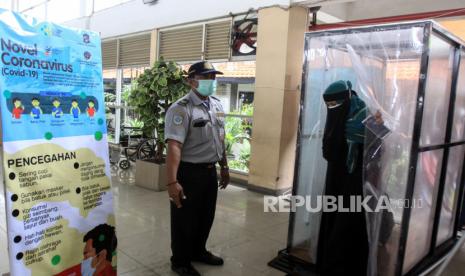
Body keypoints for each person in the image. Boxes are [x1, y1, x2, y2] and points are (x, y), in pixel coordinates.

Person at [165, 61, 230, 276]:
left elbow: (220, 137)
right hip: (189, 173)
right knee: (185, 221)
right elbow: (174, 146)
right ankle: (180, 261)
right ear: (191, 80)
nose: (211, 82)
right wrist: (172, 182)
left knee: (205, 216)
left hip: (210, 172)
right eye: (206, 77)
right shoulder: (181, 108)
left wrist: (225, 166)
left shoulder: (217, 105)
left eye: (213, 77)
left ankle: (198, 251)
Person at [317, 80, 370, 275]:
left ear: (347, 100)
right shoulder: (335, 118)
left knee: (347, 228)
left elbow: (385, 146)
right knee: (333, 224)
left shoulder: (365, 116)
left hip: (355, 183)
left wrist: (380, 127)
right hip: (335, 180)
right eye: (328, 105)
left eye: (334, 104)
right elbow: (328, 151)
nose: (332, 109)